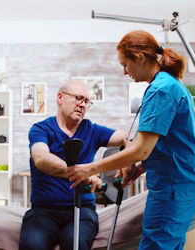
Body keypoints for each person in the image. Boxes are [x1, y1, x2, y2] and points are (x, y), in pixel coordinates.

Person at [66, 30, 195, 250]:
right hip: (179, 184)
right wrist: (138, 169)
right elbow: (162, 144)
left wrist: (90, 169)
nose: (124, 72)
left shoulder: (161, 90)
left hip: (174, 187)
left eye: (125, 64)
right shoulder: (166, 84)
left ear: (139, 58)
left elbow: (141, 150)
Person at [19, 79, 126, 250]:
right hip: (43, 211)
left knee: (74, 243)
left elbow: (128, 138)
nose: (82, 105)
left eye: (86, 101)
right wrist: (81, 174)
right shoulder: (41, 129)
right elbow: (41, 157)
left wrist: (129, 159)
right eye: (78, 98)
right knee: (32, 244)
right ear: (60, 97)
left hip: (83, 210)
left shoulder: (92, 130)